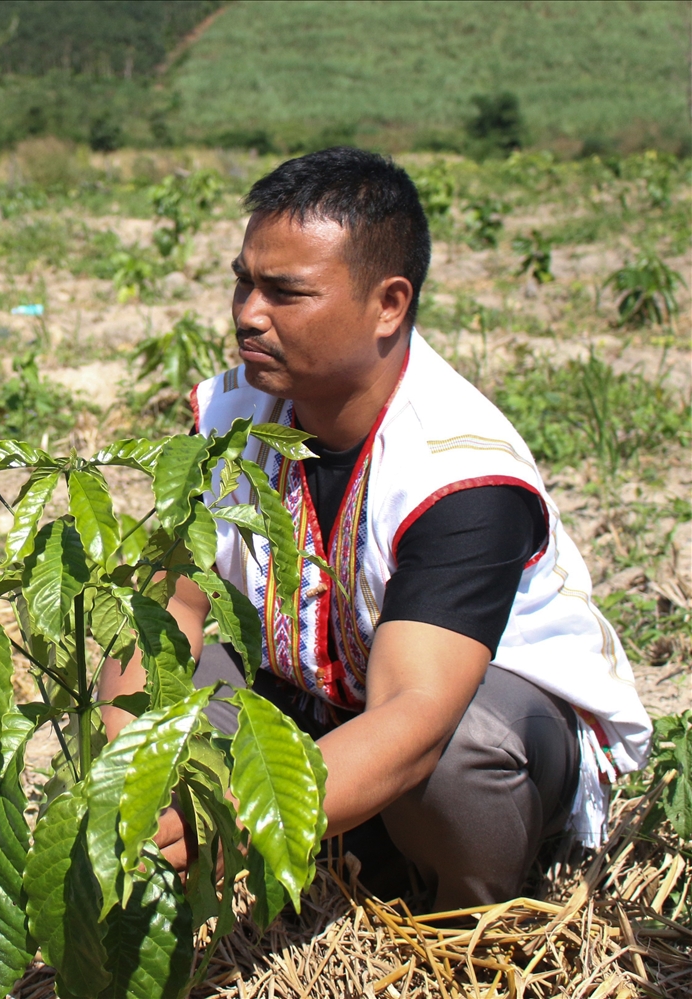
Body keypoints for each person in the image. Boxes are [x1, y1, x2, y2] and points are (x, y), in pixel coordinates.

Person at [101, 148, 651, 910]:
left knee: (460, 756)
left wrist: (236, 815)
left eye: (286, 292)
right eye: (243, 281)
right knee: (168, 676)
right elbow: (169, 610)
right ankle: (325, 849)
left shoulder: (458, 475)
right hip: (327, 700)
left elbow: (415, 715)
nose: (248, 313)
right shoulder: (230, 418)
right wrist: (128, 782)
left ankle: (455, 915)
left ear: (389, 304)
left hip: (471, 725)